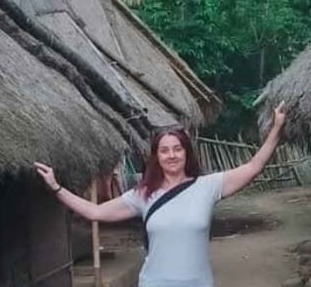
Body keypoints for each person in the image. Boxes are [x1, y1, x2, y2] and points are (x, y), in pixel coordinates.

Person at [33, 103, 288, 287]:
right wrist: (57, 187)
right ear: (156, 157)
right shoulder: (143, 194)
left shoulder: (207, 186)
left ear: (186, 153)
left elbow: (253, 167)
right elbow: (95, 212)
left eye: (178, 149)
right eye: (165, 151)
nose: (172, 155)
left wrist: (276, 128)